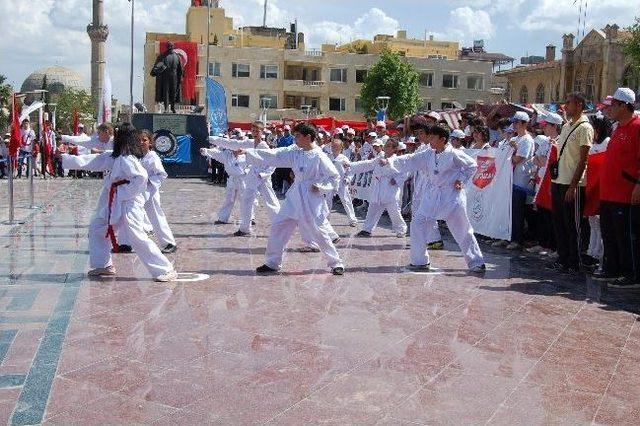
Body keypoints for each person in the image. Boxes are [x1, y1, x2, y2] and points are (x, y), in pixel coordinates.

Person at [61, 123, 177, 281]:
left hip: (129, 203)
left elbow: (141, 178)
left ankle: (165, 269)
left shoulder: (128, 159)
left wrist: (123, 193)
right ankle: (104, 265)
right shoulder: (115, 156)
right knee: (97, 228)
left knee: (137, 237)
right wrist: (64, 159)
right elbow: (92, 160)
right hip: (116, 201)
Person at [243, 123, 345, 275]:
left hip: (311, 198)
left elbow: (334, 177)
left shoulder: (319, 156)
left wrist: (321, 187)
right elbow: (275, 155)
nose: (295, 139)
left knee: (319, 231)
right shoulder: (296, 152)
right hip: (294, 196)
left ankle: (336, 263)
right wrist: (247, 152)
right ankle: (272, 262)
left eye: (297, 136)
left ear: (308, 137)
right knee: (279, 226)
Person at [392, 125, 485, 273]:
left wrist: (461, 179)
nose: (430, 140)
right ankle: (420, 261)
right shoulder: (428, 153)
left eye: (433, 137)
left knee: (462, 230)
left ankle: (476, 262)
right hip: (433, 196)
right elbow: (410, 160)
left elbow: (472, 166)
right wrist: (391, 162)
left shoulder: (454, 154)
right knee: (417, 222)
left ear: (443, 139)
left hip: (452, 197)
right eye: (429, 137)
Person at [595, 88, 640, 286]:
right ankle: (612, 269)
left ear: (624, 106)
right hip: (608, 194)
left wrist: (638, 186)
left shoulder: (637, 127)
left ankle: (631, 276)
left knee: (626, 237)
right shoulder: (617, 128)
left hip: (625, 194)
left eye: (613, 105)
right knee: (609, 234)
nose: (609, 108)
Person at [548, 92, 594, 273]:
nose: (565, 106)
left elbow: (584, 159)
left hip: (572, 184)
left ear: (580, 104)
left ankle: (575, 262)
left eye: (569, 103)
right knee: (559, 222)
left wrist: (573, 186)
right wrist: (554, 181)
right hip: (559, 181)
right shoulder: (566, 126)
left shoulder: (585, 127)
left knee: (572, 225)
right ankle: (563, 258)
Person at [209, 121, 280, 236]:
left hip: (263, 176)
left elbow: (272, 164)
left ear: (262, 132)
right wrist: (213, 139)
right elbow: (232, 143)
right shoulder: (249, 142)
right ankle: (245, 229)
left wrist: (263, 175)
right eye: (253, 130)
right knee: (246, 200)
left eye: (257, 131)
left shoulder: (264, 146)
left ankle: (280, 224)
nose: (255, 133)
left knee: (271, 201)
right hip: (252, 175)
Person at [348, 139, 408, 238]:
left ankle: (401, 229)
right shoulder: (380, 158)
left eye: (389, 146)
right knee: (373, 209)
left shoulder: (397, 160)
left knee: (394, 212)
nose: (386, 147)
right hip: (378, 188)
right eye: (386, 145)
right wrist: (350, 165)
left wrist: (396, 180)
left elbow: (405, 173)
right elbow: (367, 164)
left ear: (394, 149)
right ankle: (367, 229)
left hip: (390, 189)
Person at [494, 111, 535, 250]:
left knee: (517, 211)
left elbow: (518, 159)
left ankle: (517, 240)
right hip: (509, 179)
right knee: (508, 211)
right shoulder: (516, 139)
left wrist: (505, 159)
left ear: (524, 123)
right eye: (514, 122)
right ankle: (507, 236)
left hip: (520, 180)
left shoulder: (527, 140)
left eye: (517, 122)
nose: (514, 125)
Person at [137, 130, 178, 254]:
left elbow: (161, 174)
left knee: (156, 217)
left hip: (150, 191)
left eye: (144, 140)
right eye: (139, 140)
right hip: (137, 192)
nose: (141, 142)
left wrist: (148, 181)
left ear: (150, 142)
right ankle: (126, 243)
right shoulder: (137, 157)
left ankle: (168, 242)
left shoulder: (152, 157)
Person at [584, 113, 612, 265]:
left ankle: (599, 252)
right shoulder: (593, 144)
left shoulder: (607, 142)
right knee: (592, 221)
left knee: (600, 222)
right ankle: (591, 250)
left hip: (600, 186)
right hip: (591, 185)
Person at [200, 144, 247, 225]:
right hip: (232, 180)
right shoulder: (226, 155)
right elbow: (216, 153)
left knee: (244, 199)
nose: (235, 149)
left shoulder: (246, 155)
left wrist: (247, 173)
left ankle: (249, 218)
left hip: (243, 179)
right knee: (229, 199)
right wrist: (205, 151)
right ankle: (223, 218)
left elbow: (252, 165)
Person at [328, 138, 358, 226]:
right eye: (333, 146)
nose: (334, 148)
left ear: (341, 148)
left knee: (346, 201)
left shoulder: (343, 158)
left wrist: (347, 179)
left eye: (336, 147)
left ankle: (353, 220)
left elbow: (350, 170)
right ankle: (326, 219)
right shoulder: (328, 157)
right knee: (327, 201)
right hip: (330, 182)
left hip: (341, 182)